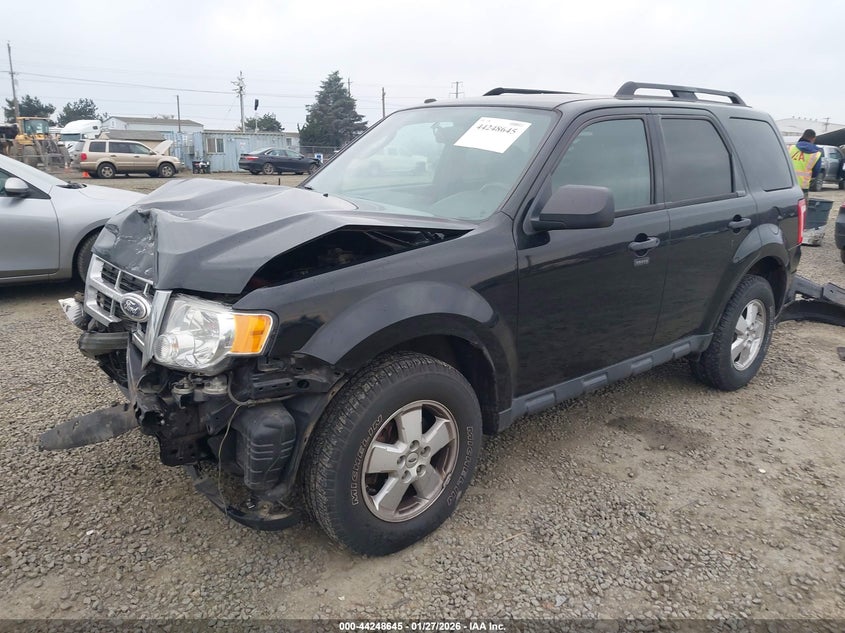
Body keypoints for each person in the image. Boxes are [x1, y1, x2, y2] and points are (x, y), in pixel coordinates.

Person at [789, 129, 822, 200]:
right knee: (801, 209)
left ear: (802, 136)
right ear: (813, 139)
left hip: (788, 185)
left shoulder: (790, 148)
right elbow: (815, 173)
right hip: (803, 187)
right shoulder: (816, 154)